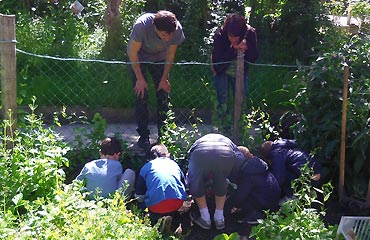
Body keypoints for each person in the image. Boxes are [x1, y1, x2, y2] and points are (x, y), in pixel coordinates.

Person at [127, 10, 185, 150]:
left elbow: (170, 55)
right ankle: (143, 136)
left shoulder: (176, 29)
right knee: (142, 95)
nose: (168, 38)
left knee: (163, 94)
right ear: (154, 27)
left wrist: (164, 78)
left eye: (170, 35)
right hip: (139, 58)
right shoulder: (141, 26)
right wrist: (140, 79)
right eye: (165, 35)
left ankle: (163, 135)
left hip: (160, 59)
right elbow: (132, 52)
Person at [186, 133, 243, 230]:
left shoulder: (199, 142)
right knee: (221, 179)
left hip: (200, 153)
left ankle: (205, 218)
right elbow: (239, 157)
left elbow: (190, 156)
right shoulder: (228, 142)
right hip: (226, 152)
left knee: (196, 180)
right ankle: (219, 218)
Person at [211, 13, 259, 120]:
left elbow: (254, 57)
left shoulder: (250, 33)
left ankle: (240, 125)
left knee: (241, 99)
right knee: (222, 100)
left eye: (236, 36)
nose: (233, 39)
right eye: (230, 36)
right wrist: (234, 49)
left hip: (241, 72)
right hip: (222, 72)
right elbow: (218, 60)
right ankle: (223, 125)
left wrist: (247, 47)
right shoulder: (220, 35)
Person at [134, 144, 187, 234]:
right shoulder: (174, 164)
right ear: (168, 155)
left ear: (150, 158)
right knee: (170, 203)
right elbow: (184, 185)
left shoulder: (147, 167)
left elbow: (139, 195)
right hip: (177, 203)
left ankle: (155, 219)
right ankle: (172, 219)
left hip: (156, 206)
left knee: (140, 204)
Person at [228, 146, 280, 225]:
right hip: (274, 201)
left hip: (264, 205)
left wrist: (229, 202)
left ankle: (255, 216)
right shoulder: (259, 165)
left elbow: (240, 195)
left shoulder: (249, 172)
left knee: (243, 198)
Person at [260, 139, 322, 204]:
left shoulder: (276, 154)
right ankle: (311, 193)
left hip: (307, 178)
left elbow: (278, 179)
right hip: (317, 171)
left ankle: (293, 199)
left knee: (283, 176)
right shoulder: (286, 147)